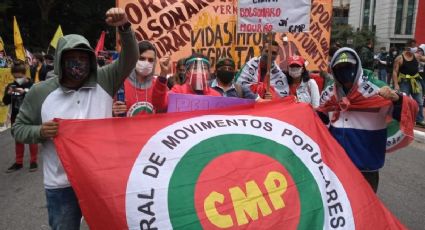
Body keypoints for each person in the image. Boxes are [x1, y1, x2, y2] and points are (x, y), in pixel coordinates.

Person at [12, 8, 138, 230]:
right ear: (60, 60)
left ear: (91, 60)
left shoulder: (105, 79)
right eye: (72, 59)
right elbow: (18, 129)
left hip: (100, 180)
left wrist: (125, 27)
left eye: (83, 58)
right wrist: (39, 131)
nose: (78, 64)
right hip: (60, 185)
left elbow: (130, 59)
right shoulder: (40, 92)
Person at [318, 48, 417, 193]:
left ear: (357, 66)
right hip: (337, 166)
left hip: (366, 167)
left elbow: (407, 112)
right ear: (333, 70)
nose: (344, 71)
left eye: (348, 67)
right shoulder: (329, 93)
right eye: (339, 68)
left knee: (365, 211)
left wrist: (397, 99)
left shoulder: (377, 90)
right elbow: (319, 120)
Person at [112, 41, 169, 116]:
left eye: (150, 60)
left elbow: (163, 109)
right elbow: (105, 113)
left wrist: (163, 73)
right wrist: (113, 111)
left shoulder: (159, 85)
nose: (146, 62)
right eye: (142, 58)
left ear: (154, 62)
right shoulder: (120, 84)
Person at [3, 60, 38, 173]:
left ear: (24, 73)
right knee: (18, 139)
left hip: (30, 116)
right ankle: (18, 162)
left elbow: (35, 97)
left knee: (32, 138)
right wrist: (8, 94)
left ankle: (33, 161)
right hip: (16, 116)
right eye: (15, 76)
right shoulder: (11, 86)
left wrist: (25, 91)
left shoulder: (31, 84)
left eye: (20, 76)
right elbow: (5, 101)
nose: (18, 78)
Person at [392, 40, 425, 128]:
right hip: (404, 82)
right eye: (413, 47)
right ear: (408, 48)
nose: (416, 49)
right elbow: (395, 72)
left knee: (419, 101)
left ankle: (419, 119)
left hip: (415, 81)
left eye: (416, 47)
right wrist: (396, 84)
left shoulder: (417, 56)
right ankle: (402, 118)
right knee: (404, 101)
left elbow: (424, 59)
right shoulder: (400, 58)